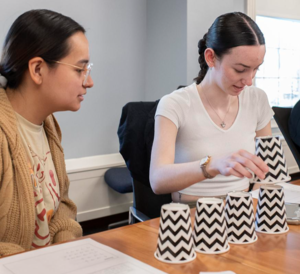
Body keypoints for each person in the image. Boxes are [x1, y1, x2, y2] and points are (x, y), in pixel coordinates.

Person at [150, 12, 273, 206]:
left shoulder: (257, 99)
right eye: (240, 70)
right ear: (211, 57)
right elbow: (157, 180)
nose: (249, 81)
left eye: (256, 68)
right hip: (191, 213)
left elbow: (266, 170)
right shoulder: (175, 104)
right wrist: (212, 164)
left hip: (243, 208)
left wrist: (252, 204)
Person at [0, 9, 93, 256]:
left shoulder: (49, 125)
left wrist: (63, 243)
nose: (89, 81)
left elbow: (61, 203)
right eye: (79, 69)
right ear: (38, 69)